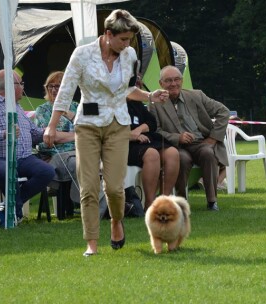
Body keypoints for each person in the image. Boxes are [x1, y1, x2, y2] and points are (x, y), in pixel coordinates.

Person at [42, 9, 169, 257]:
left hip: (118, 125)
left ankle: (115, 221)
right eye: (123, 39)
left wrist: (150, 96)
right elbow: (66, 91)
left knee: (114, 187)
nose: (127, 44)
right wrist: (52, 125)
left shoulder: (130, 54)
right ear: (108, 34)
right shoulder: (82, 54)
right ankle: (91, 243)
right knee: (88, 187)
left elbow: (129, 90)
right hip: (87, 124)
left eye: (129, 39)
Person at [0, 70, 62, 223]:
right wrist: (4, 134)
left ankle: (9, 207)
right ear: (10, 86)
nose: (23, 88)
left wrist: (50, 131)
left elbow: (33, 133)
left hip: (24, 157)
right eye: (21, 84)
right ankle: (15, 212)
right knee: (7, 171)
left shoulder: (17, 107)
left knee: (47, 171)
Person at [150, 65, 229, 211]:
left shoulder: (196, 95)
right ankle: (181, 201)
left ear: (182, 80)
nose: (173, 84)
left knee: (208, 152)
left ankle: (212, 201)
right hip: (175, 146)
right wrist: (177, 137)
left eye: (176, 79)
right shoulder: (155, 104)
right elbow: (155, 131)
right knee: (182, 158)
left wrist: (213, 139)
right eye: (168, 81)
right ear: (161, 84)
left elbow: (224, 112)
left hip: (201, 142)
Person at [127, 76, 179, 210]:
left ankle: (163, 200)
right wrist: (132, 135)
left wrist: (139, 130)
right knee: (152, 154)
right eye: (135, 87)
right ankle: (149, 203)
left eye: (139, 86)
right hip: (125, 143)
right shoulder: (113, 104)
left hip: (145, 139)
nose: (138, 89)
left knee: (173, 153)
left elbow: (152, 122)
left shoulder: (136, 104)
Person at [34, 71, 81, 204]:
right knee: (81, 164)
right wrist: (79, 136)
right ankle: (85, 203)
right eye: (50, 86)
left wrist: (71, 118)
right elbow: (51, 137)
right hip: (56, 155)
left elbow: (90, 131)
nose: (54, 90)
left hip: (80, 151)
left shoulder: (77, 107)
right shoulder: (43, 110)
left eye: (58, 86)